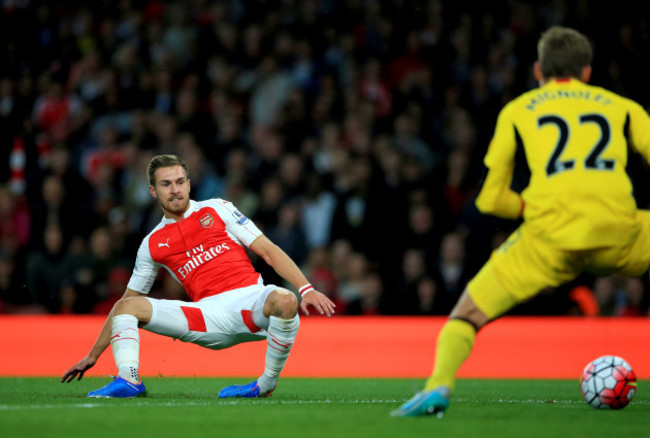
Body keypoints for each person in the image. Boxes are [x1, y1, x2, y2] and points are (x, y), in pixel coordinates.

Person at [391, 26, 650, 417]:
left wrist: (531, 208)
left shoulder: (518, 111)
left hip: (547, 240)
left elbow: (490, 197)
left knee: (466, 315)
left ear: (537, 71)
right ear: (587, 72)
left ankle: (438, 386)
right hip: (620, 232)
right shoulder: (623, 107)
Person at [61, 154, 335, 398]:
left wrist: (306, 288)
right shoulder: (152, 243)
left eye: (180, 182)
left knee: (286, 300)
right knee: (126, 307)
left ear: (189, 184)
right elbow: (126, 302)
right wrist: (93, 355)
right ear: (153, 191)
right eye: (166, 184)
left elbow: (268, 250)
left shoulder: (218, 208)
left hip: (250, 303)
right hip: (206, 318)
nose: (175, 189)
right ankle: (129, 380)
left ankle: (264, 384)